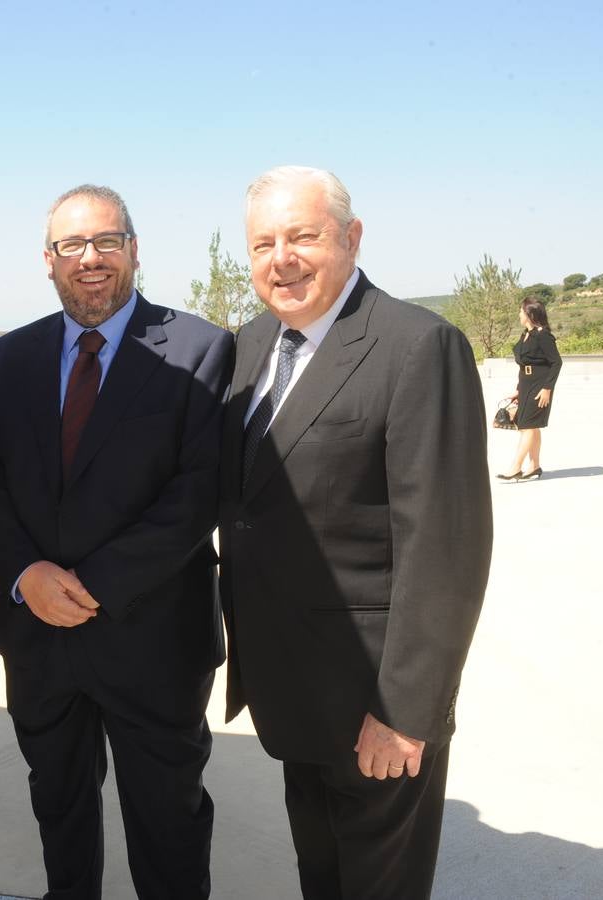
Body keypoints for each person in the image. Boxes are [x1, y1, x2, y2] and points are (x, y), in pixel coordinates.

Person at [219, 166, 492, 900]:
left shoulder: (416, 346)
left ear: (351, 237)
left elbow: (447, 549)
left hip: (375, 700)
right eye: (263, 243)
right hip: (291, 698)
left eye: (303, 236)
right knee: (323, 880)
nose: (283, 258)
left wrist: (406, 713)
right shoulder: (247, 349)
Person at [0, 185, 233, 898]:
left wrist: (91, 584)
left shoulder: (202, 350)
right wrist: (25, 573)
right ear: (47, 262)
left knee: (167, 821)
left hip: (154, 640)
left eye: (106, 242)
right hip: (38, 639)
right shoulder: (9, 358)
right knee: (59, 809)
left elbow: (198, 492)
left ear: (134, 251)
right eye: (71, 246)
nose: (90, 259)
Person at [498, 296, 562, 481]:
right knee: (530, 427)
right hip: (526, 385)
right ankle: (534, 466)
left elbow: (556, 363)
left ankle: (515, 467)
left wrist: (547, 388)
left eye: (521, 311)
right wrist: (518, 389)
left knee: (527, 427)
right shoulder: (525, 335)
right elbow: (523, 365)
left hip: (540, 386)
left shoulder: (543, 335)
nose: (519, 314)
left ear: (529, 314)